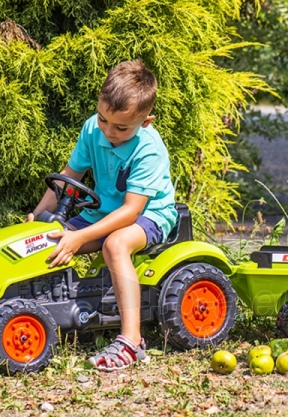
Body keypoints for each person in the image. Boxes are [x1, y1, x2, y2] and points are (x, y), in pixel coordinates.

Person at [28, 60, 177, 371]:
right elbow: (70, 175)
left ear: (145, 121)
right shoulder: (92, 129)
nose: (109, 131)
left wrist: (80, 235)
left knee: (115, 245)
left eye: (121, 127)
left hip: (148, 215)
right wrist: (39, 215)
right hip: (103, 212)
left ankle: (132, 341)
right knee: (43, 240)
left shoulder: (148, 150)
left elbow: (131, 211)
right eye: (103, 119)